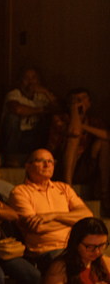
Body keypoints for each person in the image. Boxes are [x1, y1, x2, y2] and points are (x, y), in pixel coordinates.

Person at [8, 148, 92, 269]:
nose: (47, 164)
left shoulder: (63, 188)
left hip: (73, 245)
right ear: (28, 166)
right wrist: (73, 222)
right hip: (45, 250)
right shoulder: (20, 192)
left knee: (100, 260)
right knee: (71, 260)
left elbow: (87, 216)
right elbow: (37, 226)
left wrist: (53, 216)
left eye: (51, 161)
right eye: (41, 161)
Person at [58, 88, 109, 216]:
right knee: (73, 140)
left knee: (103, 143)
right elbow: (74, 132)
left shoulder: (94, 121)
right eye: (76, 99)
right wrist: (75, 111)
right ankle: (68, 187)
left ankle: (104, 193)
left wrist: (84, 126)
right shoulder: (60, 119)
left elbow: (107, 136)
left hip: (85, 167)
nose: (80, 102)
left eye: (83, 98)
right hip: (62, 167)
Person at [0, 66, 57, 161]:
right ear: (20, 81)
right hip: (16, 137)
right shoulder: (14, 94)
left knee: (52, 119)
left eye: (34, 78)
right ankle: (10, 157)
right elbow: (17, 109)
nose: (30, 82)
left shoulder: (41, 96)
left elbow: (58, 109)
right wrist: (41, 110)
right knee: (12, 117)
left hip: (34, 137)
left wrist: (46, 92)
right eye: (26, 78)